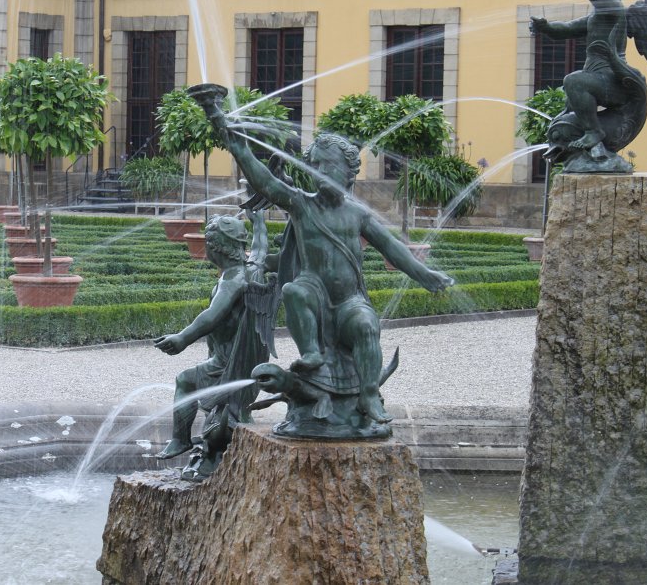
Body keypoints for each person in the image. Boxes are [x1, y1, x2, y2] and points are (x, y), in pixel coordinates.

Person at [194, 87, 453, 427]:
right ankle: (312, 353)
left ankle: (369, 394)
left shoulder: (357, 215)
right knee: (294, 291)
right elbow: (263, 179)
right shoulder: (302, 203)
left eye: (325, 165)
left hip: (348, 300)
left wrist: (424, 274)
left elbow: (392, 247)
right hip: (313, 294)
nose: (317, 170)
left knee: (366, 325)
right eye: (313, 164)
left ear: (348, 171)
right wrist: (224, 127)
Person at [153, 212, 273, 477]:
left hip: (227, 362)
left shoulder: (233, 280)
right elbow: (260, 247)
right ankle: (214, 448)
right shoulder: (251, 268)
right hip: (236, 359)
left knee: (185, 381)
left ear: (217, 248)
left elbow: (211, 316)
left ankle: (181, 439)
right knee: (222, 414)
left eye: (208, 242)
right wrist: (259, 221)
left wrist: (182, 338)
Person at [529, 0, 628, 155]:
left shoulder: (612, 7)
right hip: (600, 81)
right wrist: (546, 27)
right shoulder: (597, 15)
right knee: (567, 112)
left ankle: (594, 131)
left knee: (574, 81)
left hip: (613, 82)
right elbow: (567, 29)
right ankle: (593, 150)